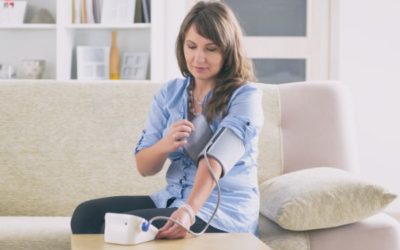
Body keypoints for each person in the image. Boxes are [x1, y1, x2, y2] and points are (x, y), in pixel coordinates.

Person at [70, 0, 264, 239]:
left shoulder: (246, 96)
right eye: (191, 46)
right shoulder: (170, 93)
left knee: (113, 230)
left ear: (228, 50)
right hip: (173, 198)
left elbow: (215, 160)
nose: (198, 58)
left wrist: (189, 211)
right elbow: (144, 166)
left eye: (211, 49)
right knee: (86, 216)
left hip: (223, 211)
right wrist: (165, 144)